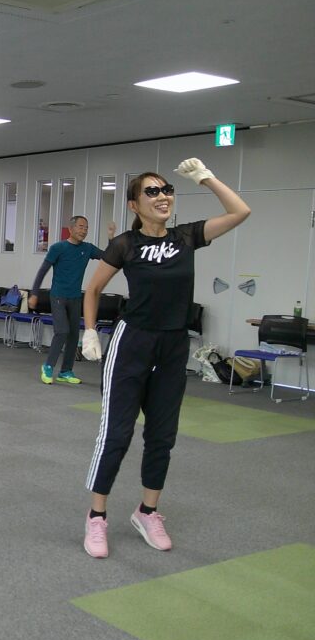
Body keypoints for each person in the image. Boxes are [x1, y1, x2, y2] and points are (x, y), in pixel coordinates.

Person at [80, 159, 250, 558]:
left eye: (167, 190)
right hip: (132, 343)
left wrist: (207, 178)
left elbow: (240, 211)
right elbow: (94, 290)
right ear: (134, 205)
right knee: (117, 434)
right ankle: (96, 517)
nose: (163, 196)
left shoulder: (186, 237)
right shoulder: (125, 244)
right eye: (152, 192)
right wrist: (89, 330)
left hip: (173, 346)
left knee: (162, 435)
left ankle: (147, 512)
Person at [29, 216, 116, 385]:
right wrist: (34, 293)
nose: (84, 231)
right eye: (81, 227)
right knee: (62, 331)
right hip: (58, 296)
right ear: (71, 229)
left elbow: (108, 257)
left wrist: (111, 238)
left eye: (86, 228)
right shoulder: (58, 248)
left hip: (75, 298)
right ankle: (48, 366)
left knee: (74, 335)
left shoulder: (88, 248)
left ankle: (66, 371)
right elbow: (42, 271)